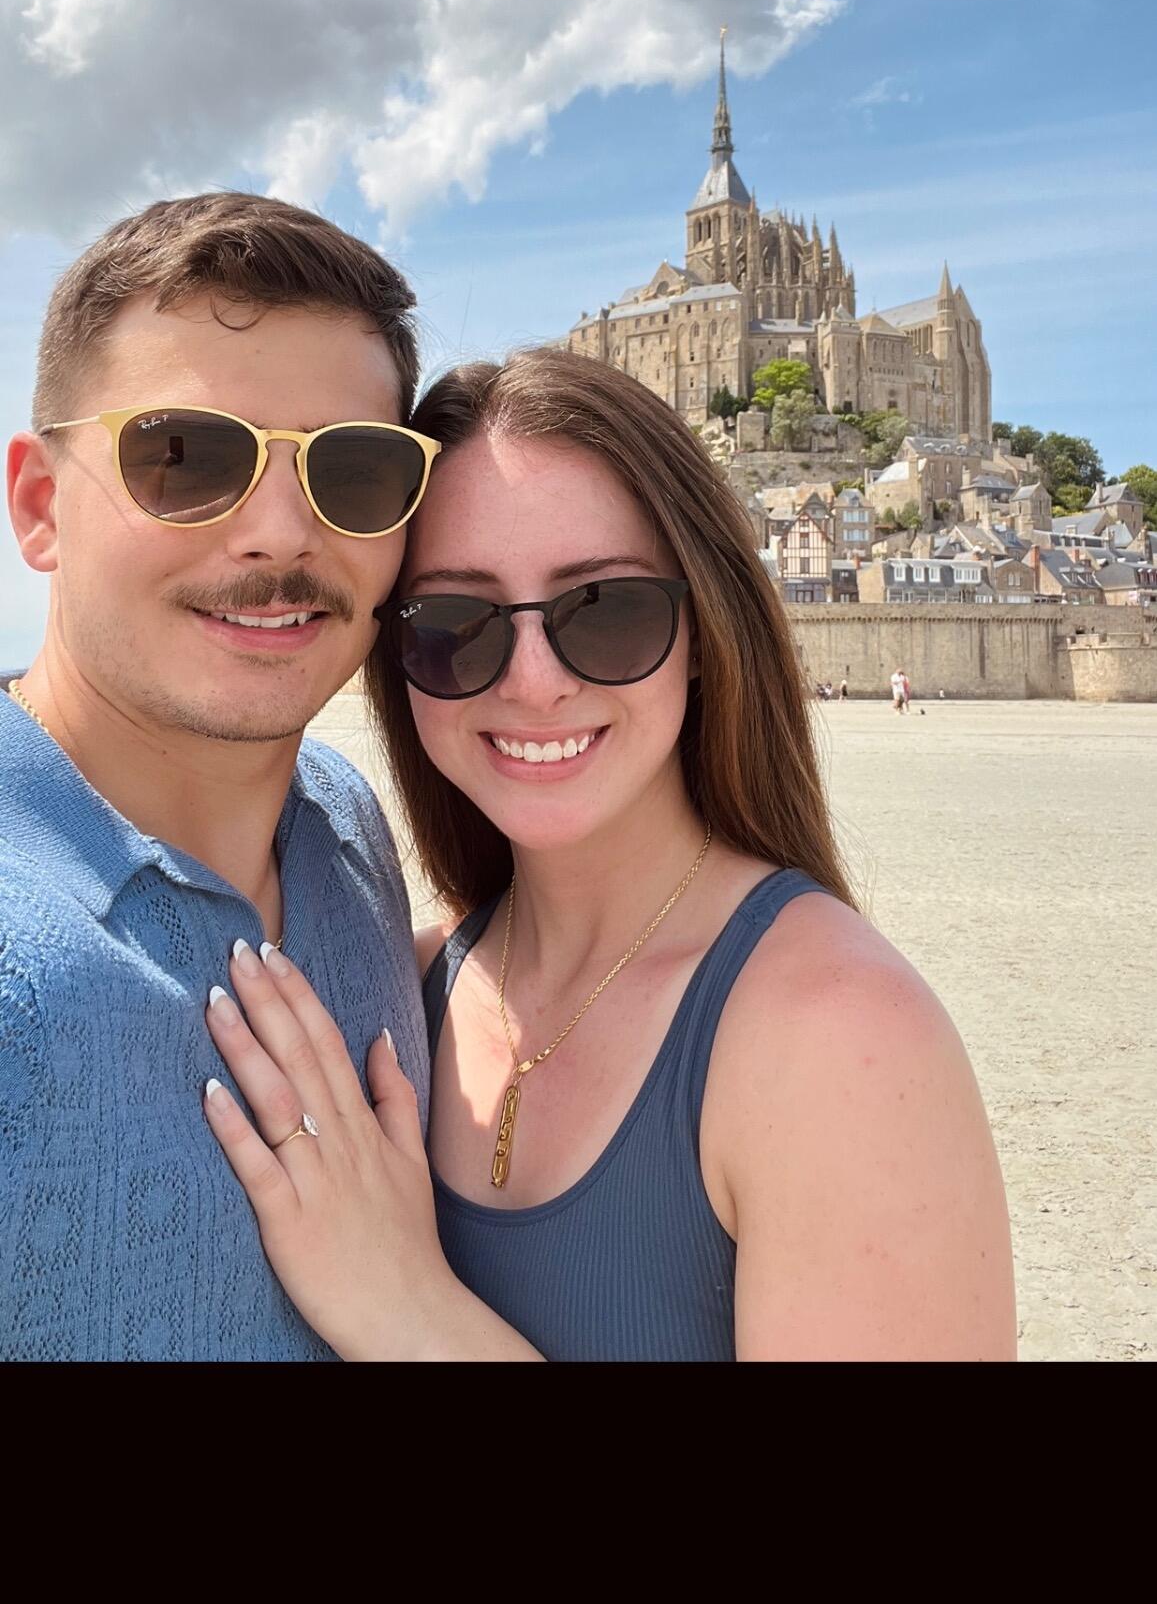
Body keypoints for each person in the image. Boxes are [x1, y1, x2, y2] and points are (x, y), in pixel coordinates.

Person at [201, 351, 1017, 1362]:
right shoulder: (406, 989)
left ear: (704, 630)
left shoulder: (838, 1036)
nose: (533, 682)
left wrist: (407, 1309)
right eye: (455, 623)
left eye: (606, 610)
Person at [1, 193, 438, 1362]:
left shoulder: (346, 824)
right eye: (186, 457)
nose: (280, 533)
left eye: (356, 472)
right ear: (41, 507)